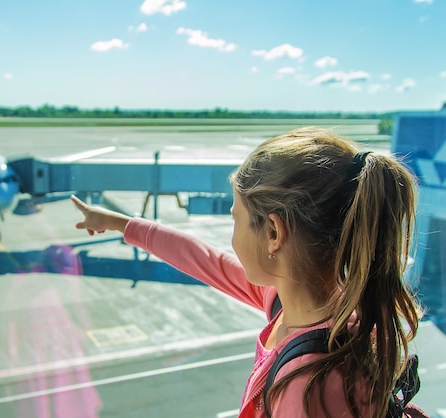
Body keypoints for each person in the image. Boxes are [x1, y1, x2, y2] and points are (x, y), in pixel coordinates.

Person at [71, 126, 422, 417]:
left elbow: (210, 261)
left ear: (273, 233)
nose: (232, 236)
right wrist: (121, 223)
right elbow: (205, 260)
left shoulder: (304, 387)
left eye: (235, 218)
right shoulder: (318, 303)